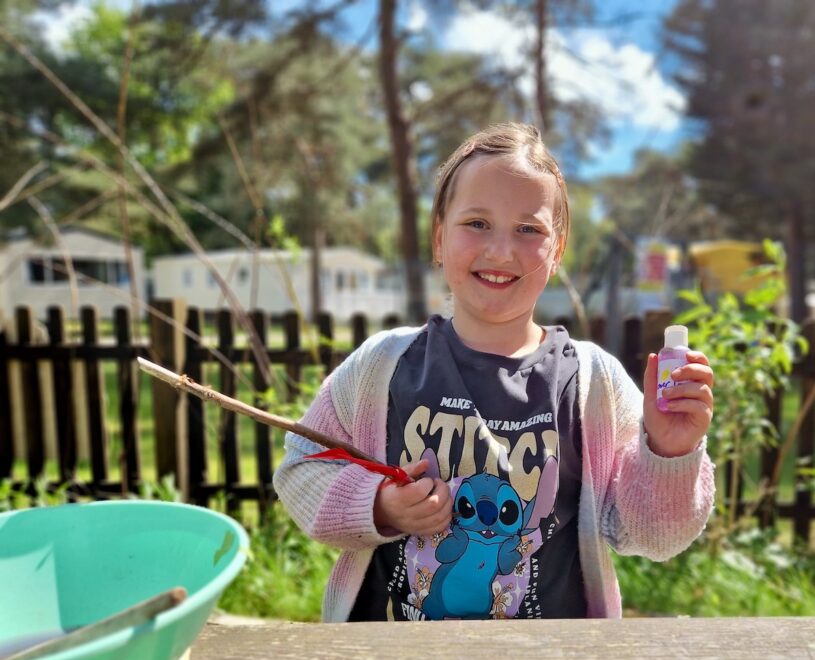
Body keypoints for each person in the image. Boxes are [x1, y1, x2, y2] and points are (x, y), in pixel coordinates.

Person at [274, 123, 715, 622]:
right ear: (440, 238)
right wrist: (379, 506)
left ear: (558, 251)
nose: (501, 251)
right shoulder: (381, 367)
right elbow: (302, 469)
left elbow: (651, 536)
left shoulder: (593, 383)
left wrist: (670, 452)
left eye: (529, 230)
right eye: (477, 223)